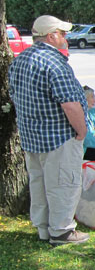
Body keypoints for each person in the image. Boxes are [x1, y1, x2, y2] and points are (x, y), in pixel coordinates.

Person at [8, 15, 90, 245]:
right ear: (51, 36)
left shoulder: (21, 59)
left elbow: (14, 95)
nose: (65, 37)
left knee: (40, 185)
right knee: (63, 184)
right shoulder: (54, 63)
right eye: (62, 33)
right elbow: (70, 104)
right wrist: (81, 131)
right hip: (58, 137)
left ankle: (44, 228)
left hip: (31, 137)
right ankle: (62, 231)